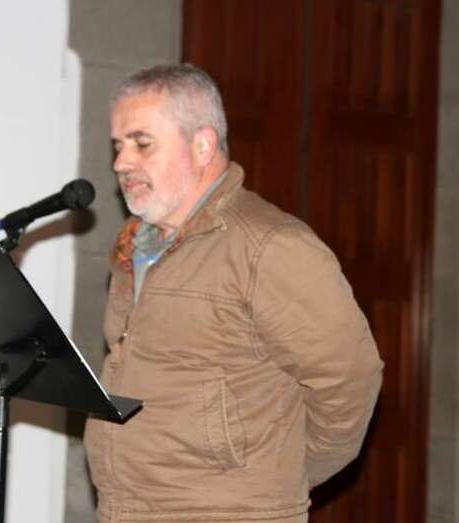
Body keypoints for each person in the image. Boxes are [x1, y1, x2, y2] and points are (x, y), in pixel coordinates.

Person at [84, 64, 383, 523]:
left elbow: (350, 378)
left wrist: (277, 475)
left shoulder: (270, 246)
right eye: (118, 146)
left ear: (202, 145)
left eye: (142, 144)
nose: (121, 163)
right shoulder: (137, 245)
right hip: (127, 509)